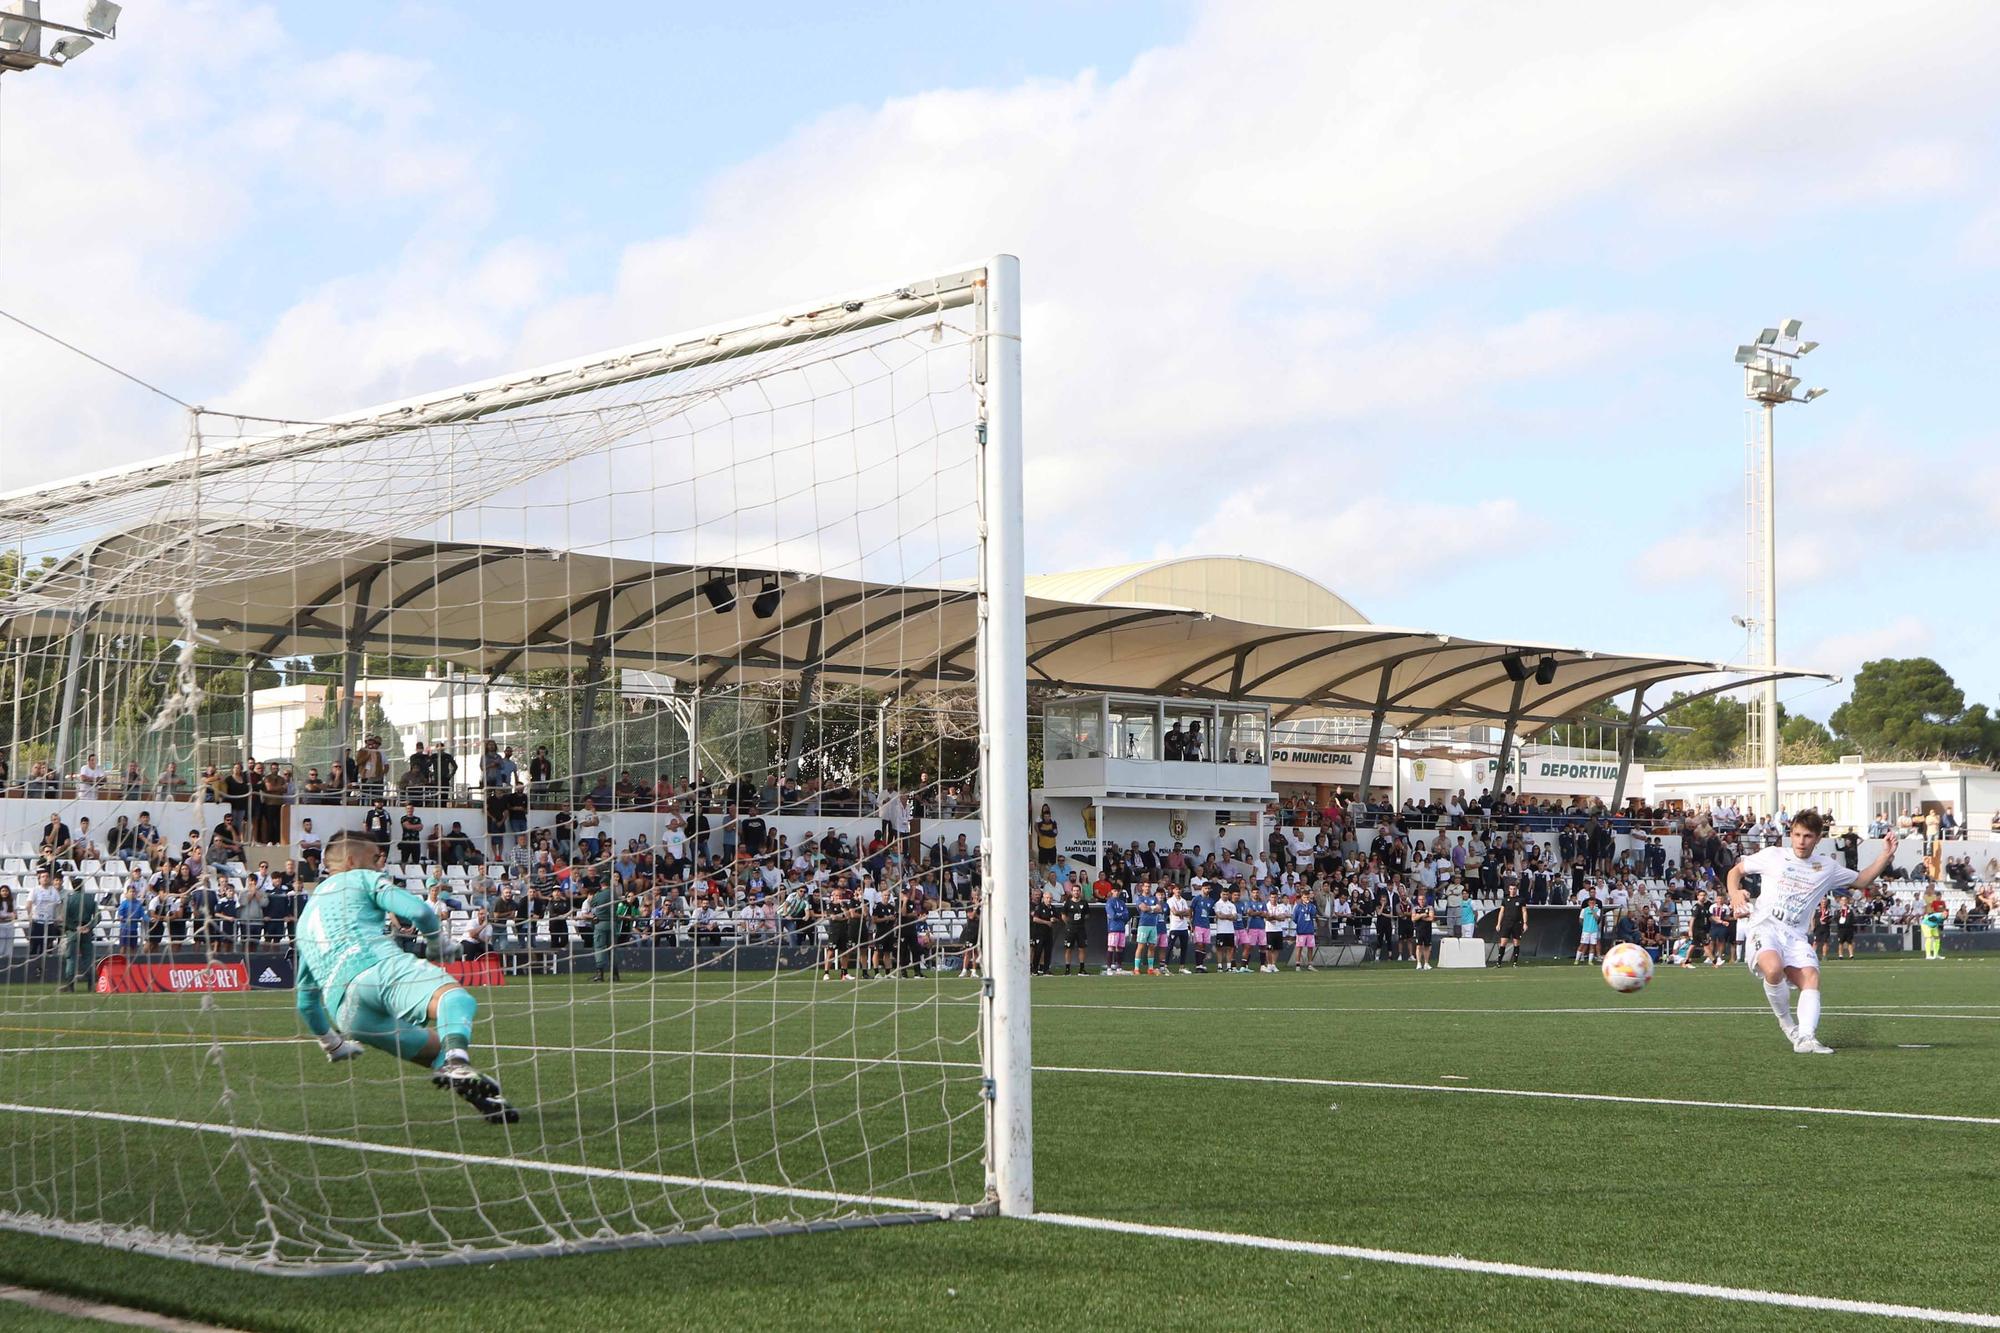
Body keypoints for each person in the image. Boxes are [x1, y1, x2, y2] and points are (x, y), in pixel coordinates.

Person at [293, 830, 517, 1123]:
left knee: (433, 1050)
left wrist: (333, 1044)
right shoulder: (360, 877)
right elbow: (420, 912)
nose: (379, 865)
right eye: (375, 858)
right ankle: (458, 1061)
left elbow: (305, 1001)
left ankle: (480, 1094)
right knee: (454, 998)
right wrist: (437, 943)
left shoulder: (305, 921)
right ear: (351, 860)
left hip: (348, 1014)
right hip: (375, 966)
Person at [1727, 810, 1896, 1055]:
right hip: (1765, 925)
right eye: (1796, 835)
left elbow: (1861, 880)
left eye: (1807, 836)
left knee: (1811, 978)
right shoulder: (1773, 855)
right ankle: (1787, 1024)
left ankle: (1807, 1038)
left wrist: (1885, 855)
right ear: (1790, 834)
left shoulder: (1826, 867)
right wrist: (1735, 894)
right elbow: (1735, 872)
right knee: (1773, 968)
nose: (1801, 841)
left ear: (1817, 839)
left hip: (1795, 935)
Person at [58, 876, 98, 993]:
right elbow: (98, 916)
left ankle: (70, 986)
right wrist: (89, 927)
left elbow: (64, 918)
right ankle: (91, 985)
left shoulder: (68, 899)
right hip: (87, 932)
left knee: (71, 959)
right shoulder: (90, 899)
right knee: (88, 959)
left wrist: (75, 927)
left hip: (73, 932)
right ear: (83, 886)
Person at [1131, 881, 1163, 976]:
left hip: (1153, 925)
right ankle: (1136, 968)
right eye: (1146, 886)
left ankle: (1150, 968)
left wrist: (1150, 908)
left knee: (1152, 947)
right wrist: (1153, 908)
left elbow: (1160, 909)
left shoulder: (1154, 898)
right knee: (1140, 946)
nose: (1147, 888)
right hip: (1143, 925)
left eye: (1149, 886)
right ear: (1142, 888)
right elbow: (1143, 908)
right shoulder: (1140, 898)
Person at [1059, 885, 1090, 976]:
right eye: (1074, 891)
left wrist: (1082, 918)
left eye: (1078, 890)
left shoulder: (1084, 903)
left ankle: (1081, 969)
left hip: (1081, 928)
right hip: (1070, 929)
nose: (1076, 892)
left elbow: (1088, 914)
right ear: (1072, 892)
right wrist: (1068, 924)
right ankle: (1067, 969)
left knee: (1082, 948)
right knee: (1068, 948)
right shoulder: (1068, 903)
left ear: (1080, 892)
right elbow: (1063, 915)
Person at [1101, 885, 1130, 974]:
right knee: (1111, 946)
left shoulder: (1122, 902)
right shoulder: (1109, 902)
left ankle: (1119, 967)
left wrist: (1119, 915)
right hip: (1113, 928)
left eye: (1118, 891)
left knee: (1120, 948)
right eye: (1115, 891)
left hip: (1121, 927)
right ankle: (1109, 968)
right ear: (1112, 891)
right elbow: (1112, 915)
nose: (1117, 892)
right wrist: (1121, 915)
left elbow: (1127, 916)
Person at [1493, 886, 1525, 966]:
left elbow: (1524, 911)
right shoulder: (1505, 899)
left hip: (1517, 923)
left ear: (1516, 889)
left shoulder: (1521, 899)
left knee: (1516, 942)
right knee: (1503, 942)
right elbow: (1501, 912)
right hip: (1506, 923)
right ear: (1509, 890)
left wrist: (1525, 923)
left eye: (1514, 889)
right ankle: (1499, 963)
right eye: (1511, 889)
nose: (1512, 890)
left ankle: (1515, 963)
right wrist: (1498, 923)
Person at [1027, 889, 1056, 976]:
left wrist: (1053, 920)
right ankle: (1030, 967)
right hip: (1031, 929)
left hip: (1044, 931)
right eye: (1035, 894)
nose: (1037, 896)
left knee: (1044, 950)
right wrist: (1047, 921)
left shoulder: (1046, 906)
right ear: (1031, 895)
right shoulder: (1030, 905)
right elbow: (1033, 915)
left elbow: (1057, 917)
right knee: (1033, 949)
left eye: (1039, 894)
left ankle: (1042, 967)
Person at [1290, 890, 1318, 971]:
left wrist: (1309, 906)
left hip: (1310, 930)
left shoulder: (1311, 906)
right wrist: (1300, 923)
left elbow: (1314, 914)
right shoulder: (1298, 906)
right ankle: (1298, 965)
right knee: (1299, 947)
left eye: (1308, 897)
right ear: (1302, 897)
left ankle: (1310, 964)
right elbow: (1294, 918)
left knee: (1310, 948)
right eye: (1305, 897)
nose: (1306, 899)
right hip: (1301, 930)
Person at [1574, 893, 1602, 966]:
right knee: (1582, 944)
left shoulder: (1597, 910)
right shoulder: (1584, 910)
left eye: (1593, 902)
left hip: (1594, 930)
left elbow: (1597, 918)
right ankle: (1577, 960)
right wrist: (1584, 926)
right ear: (1588, 903)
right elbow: (1580, 919)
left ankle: (1590, 961)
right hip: (1586, 930)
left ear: (1595, 903)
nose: (1592, 904)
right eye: (1590, 902)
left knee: (1592, 945)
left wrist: (1593, 911)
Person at [1920, 893, 1948, 961]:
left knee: (1937, 938)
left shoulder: (1942, 917)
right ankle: (1928, 955)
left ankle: (1936, 955)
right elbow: (1929, 919)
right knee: (1929, 938)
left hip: (1933, 925)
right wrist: (1934, 922)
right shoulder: (1937, 915)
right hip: (1926, 925)